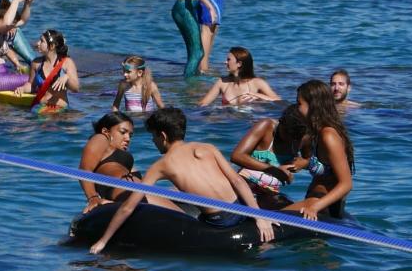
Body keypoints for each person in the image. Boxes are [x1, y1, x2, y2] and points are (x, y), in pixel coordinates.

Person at [88, 107, 275, 253]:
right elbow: (238, 182)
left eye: (153, 136)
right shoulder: (206, 148)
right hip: (242, 207)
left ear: (162, 136)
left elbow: (129, 206)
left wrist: (103, 241)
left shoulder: (162, 165)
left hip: (221, 221)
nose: (153, 142)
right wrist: (259, 216)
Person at [284, 79, 355, 223]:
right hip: (315, 200)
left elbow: (346, 183)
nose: (296, 108)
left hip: (322, 205)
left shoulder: (328, 135)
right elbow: (325, 166)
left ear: (313, 106)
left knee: (264, 218)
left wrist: (315, 207)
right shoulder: (315, 133)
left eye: (299, 104)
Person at [229, 92, 315, 209]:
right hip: (245, 183)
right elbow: (236, 156)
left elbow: (307, 159)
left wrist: (295, 166)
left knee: (301, 206)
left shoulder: (303, 138)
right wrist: (275, 170)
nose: (289, 141)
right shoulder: (266, 126)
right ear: (281, 122)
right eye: (287, 135)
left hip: (270, 191)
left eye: (294, 139)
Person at [77, 112, 154, 211]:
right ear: (106, 131)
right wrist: (93, 198)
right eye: (123, 132)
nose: (128, 138)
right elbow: (85, 169)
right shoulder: (101, 138)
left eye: (130, 135)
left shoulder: (121, 157)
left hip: (140, 194)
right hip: (125, 194)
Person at [197, 46, 282, 107]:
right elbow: (202, 104)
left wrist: (256, 95)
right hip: (228, 122)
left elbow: (278, 101)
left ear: (239, 63)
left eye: (228, 60)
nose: (225, 62)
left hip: (247, 124)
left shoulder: (257, 83)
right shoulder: (222, 82)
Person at [27, 28, 80, 111]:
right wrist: (22, 88)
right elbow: (31, 85)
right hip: (40, 108)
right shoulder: (36, 63)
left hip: (60, 110)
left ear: (51, 46)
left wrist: (66, 77)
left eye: (41, 41)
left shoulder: (67, 62)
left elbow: (76, 88)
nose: (38, 43)